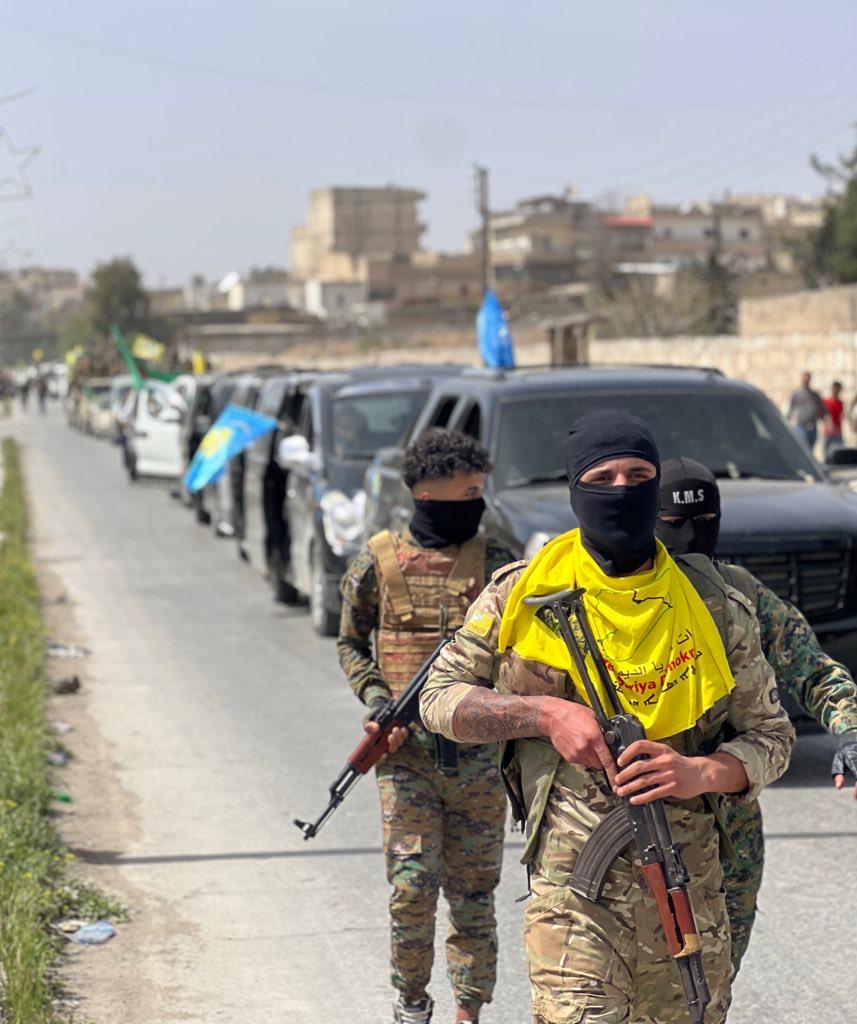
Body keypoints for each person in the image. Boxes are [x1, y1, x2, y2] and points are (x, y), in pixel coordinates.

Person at [420, 410, 794, 1024]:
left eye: (638, 475)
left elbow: (771, 736)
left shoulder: (712, 605)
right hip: (574, 907)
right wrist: (544, 714)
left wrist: (702, 772)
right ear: (576, 490)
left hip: (687, 897)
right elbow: (439, 696)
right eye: (602, 477)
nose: (622, 489)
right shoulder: (521, 597)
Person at [337, 429, 514, 1024]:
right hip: (406, 759)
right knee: (411, 891)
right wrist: (376, 698)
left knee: (474, 896)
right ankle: (412, 1000)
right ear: (426, 495)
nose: (477, 504)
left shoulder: (497, 562)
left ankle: (469, 1010)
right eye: (467, 493)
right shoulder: (378, 561)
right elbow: (350, 640)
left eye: (479, 492)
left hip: (478, 762)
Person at [655, 454, 857, 971]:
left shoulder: (739, 594)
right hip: (643, 819)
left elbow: (812, 670)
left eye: (705, 520)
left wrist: (851, 733)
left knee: (715, 982)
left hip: (731, 826)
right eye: (674, 523)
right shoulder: (616, 596)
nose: (691, 535)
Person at [787, 371, 825, 453]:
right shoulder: (797, 394)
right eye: (804, 379)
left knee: (810, 450)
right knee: (804, 449)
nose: (806, 380)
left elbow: (822, 409)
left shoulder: (815, 395)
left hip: (813, 427)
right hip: (802, 427)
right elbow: (791, 409)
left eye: (807, 378)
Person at [822, 380, 845, 458]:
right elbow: (824, 416)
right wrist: (829, 426)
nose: (837, 391)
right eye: (835, 388)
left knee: (841, 452)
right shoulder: (826, 401)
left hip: (837, 431)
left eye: (838, 389)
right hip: (828, 431)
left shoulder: (840, 403)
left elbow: (840, 416)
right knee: (826, 453)